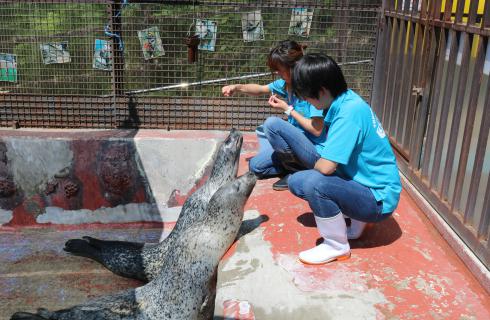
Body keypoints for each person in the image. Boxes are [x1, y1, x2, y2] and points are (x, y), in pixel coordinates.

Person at [289, 53, 402, 265]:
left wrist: (315, 165)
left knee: (314, 183)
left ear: (321, 91)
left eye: (307, 97)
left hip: (378, 200)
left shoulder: (348, 113)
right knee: (298, 181)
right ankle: (357, 221)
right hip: (369, 186)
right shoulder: (346, 100)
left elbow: (326, 168)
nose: (306, 101)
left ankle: (336, 245)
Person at [222, 40, 327, 191]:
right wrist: (237, 87)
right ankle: (294, 168)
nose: (278, 73)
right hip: (296, 146)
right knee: (255, 166)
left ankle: (296, 172)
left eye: (280, 69)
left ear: (294, 66)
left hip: (315, 152)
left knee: (272, 124)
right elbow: (260, 89)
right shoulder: (287, 84)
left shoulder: (312, 86)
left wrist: (288, 109)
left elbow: (317, 130)